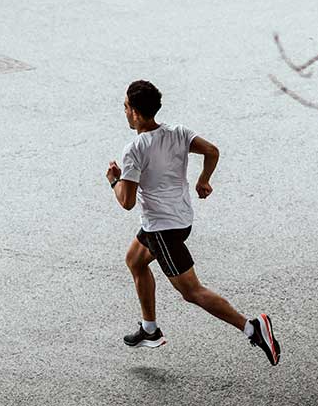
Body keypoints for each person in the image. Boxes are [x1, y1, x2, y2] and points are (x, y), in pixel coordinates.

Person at [104, 80, 280, 366]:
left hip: (162, 229)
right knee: (135, 261)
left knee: (192, 292)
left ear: (135, 113)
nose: (123, 111)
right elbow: (212, 151)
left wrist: (114, 179)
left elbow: (126, 201)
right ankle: (150, 330)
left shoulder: (134, 149)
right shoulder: (178, 132)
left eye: (125, 106)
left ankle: (252, 328)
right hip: (181, 219)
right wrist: (203, 180)